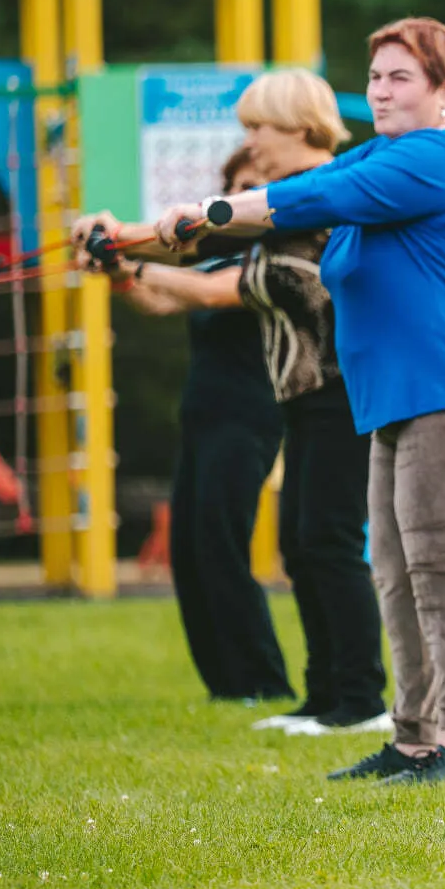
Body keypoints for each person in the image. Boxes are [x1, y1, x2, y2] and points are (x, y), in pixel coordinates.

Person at [157, 18, 445, 788]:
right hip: (394, 397)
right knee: (395, 571)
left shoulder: (438, 155)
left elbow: (317, 191)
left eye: (401, 77)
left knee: (439, 565)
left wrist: (217, 209)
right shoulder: (385, 155)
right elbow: (313, 189)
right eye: (374, 78)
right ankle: (415, 740)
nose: (382, 91)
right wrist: (150, 232)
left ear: (442, 89)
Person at [78, 71, 390, 737]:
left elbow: (220, 282)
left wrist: (126, 254)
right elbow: (194, 244)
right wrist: (119, 244)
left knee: (328, 543)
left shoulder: (321, 198)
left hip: (346, 392)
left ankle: (361, 700)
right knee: (302, 545)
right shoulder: (284, 201)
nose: (248, 142)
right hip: (304, 395)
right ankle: (324, 696)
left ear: (300, 129)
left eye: (258, 129)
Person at [102, 147, 290, 704]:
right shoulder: (212, 258)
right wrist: (116, 270)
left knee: (222, 547)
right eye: (234, 188)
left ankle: (264, 682)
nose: (241, 196)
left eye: (254, 187)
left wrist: (134, 261)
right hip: (204, 414)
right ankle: (226, 684)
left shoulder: (273, 257)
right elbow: (157, 305)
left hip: (249, 418)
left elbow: (210, 293)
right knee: (189, 550)